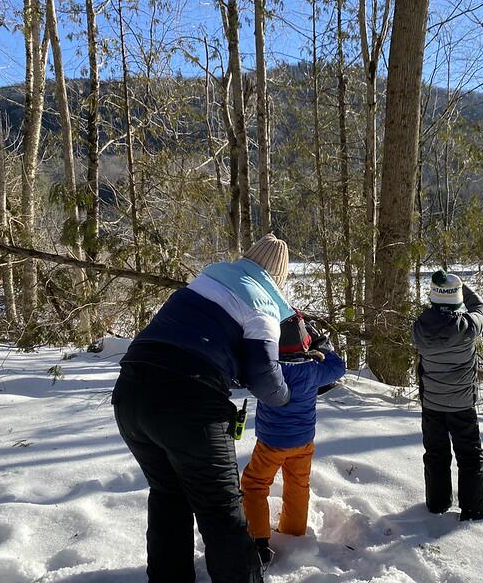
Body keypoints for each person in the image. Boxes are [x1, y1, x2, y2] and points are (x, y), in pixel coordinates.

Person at [111, 233, 294, 583]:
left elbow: (198, 339)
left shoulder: (205, 280)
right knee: (220, 510)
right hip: (189, 403)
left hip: (130, 394)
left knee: (167, 493)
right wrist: (287, 395)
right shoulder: (263, 305)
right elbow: (266, 382)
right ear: (278, 279)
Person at [241, 311, 346, 565]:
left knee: (255, 485)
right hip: (302, 443)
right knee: (298, 486)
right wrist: (323, 344)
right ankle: (293, 532)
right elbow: (338, 367)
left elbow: (244, 370)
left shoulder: (268, 370)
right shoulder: (313, 371)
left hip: (270, 443)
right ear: (305, 342)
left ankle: (259, 540)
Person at [412, 269, 483, 520]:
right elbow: (479, 306)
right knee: (469, 456)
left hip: (432, 404)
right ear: (456, 300)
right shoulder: (467, 327)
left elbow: (435, 309)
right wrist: (461, 286)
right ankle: (473, 509)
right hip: (462, 406)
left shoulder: (420, 327)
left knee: (436, 454)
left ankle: (437, 504)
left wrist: (443, 292)